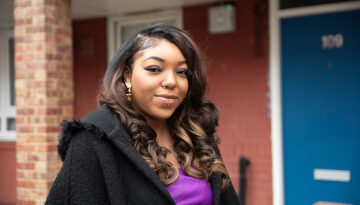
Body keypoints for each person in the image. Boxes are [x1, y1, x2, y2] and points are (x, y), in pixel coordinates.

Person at [46, 23, 240, 205]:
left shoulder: (196, 134)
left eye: (182, 72)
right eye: (154, 69)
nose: (172, 81)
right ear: (127, 75)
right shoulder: (95, 139)